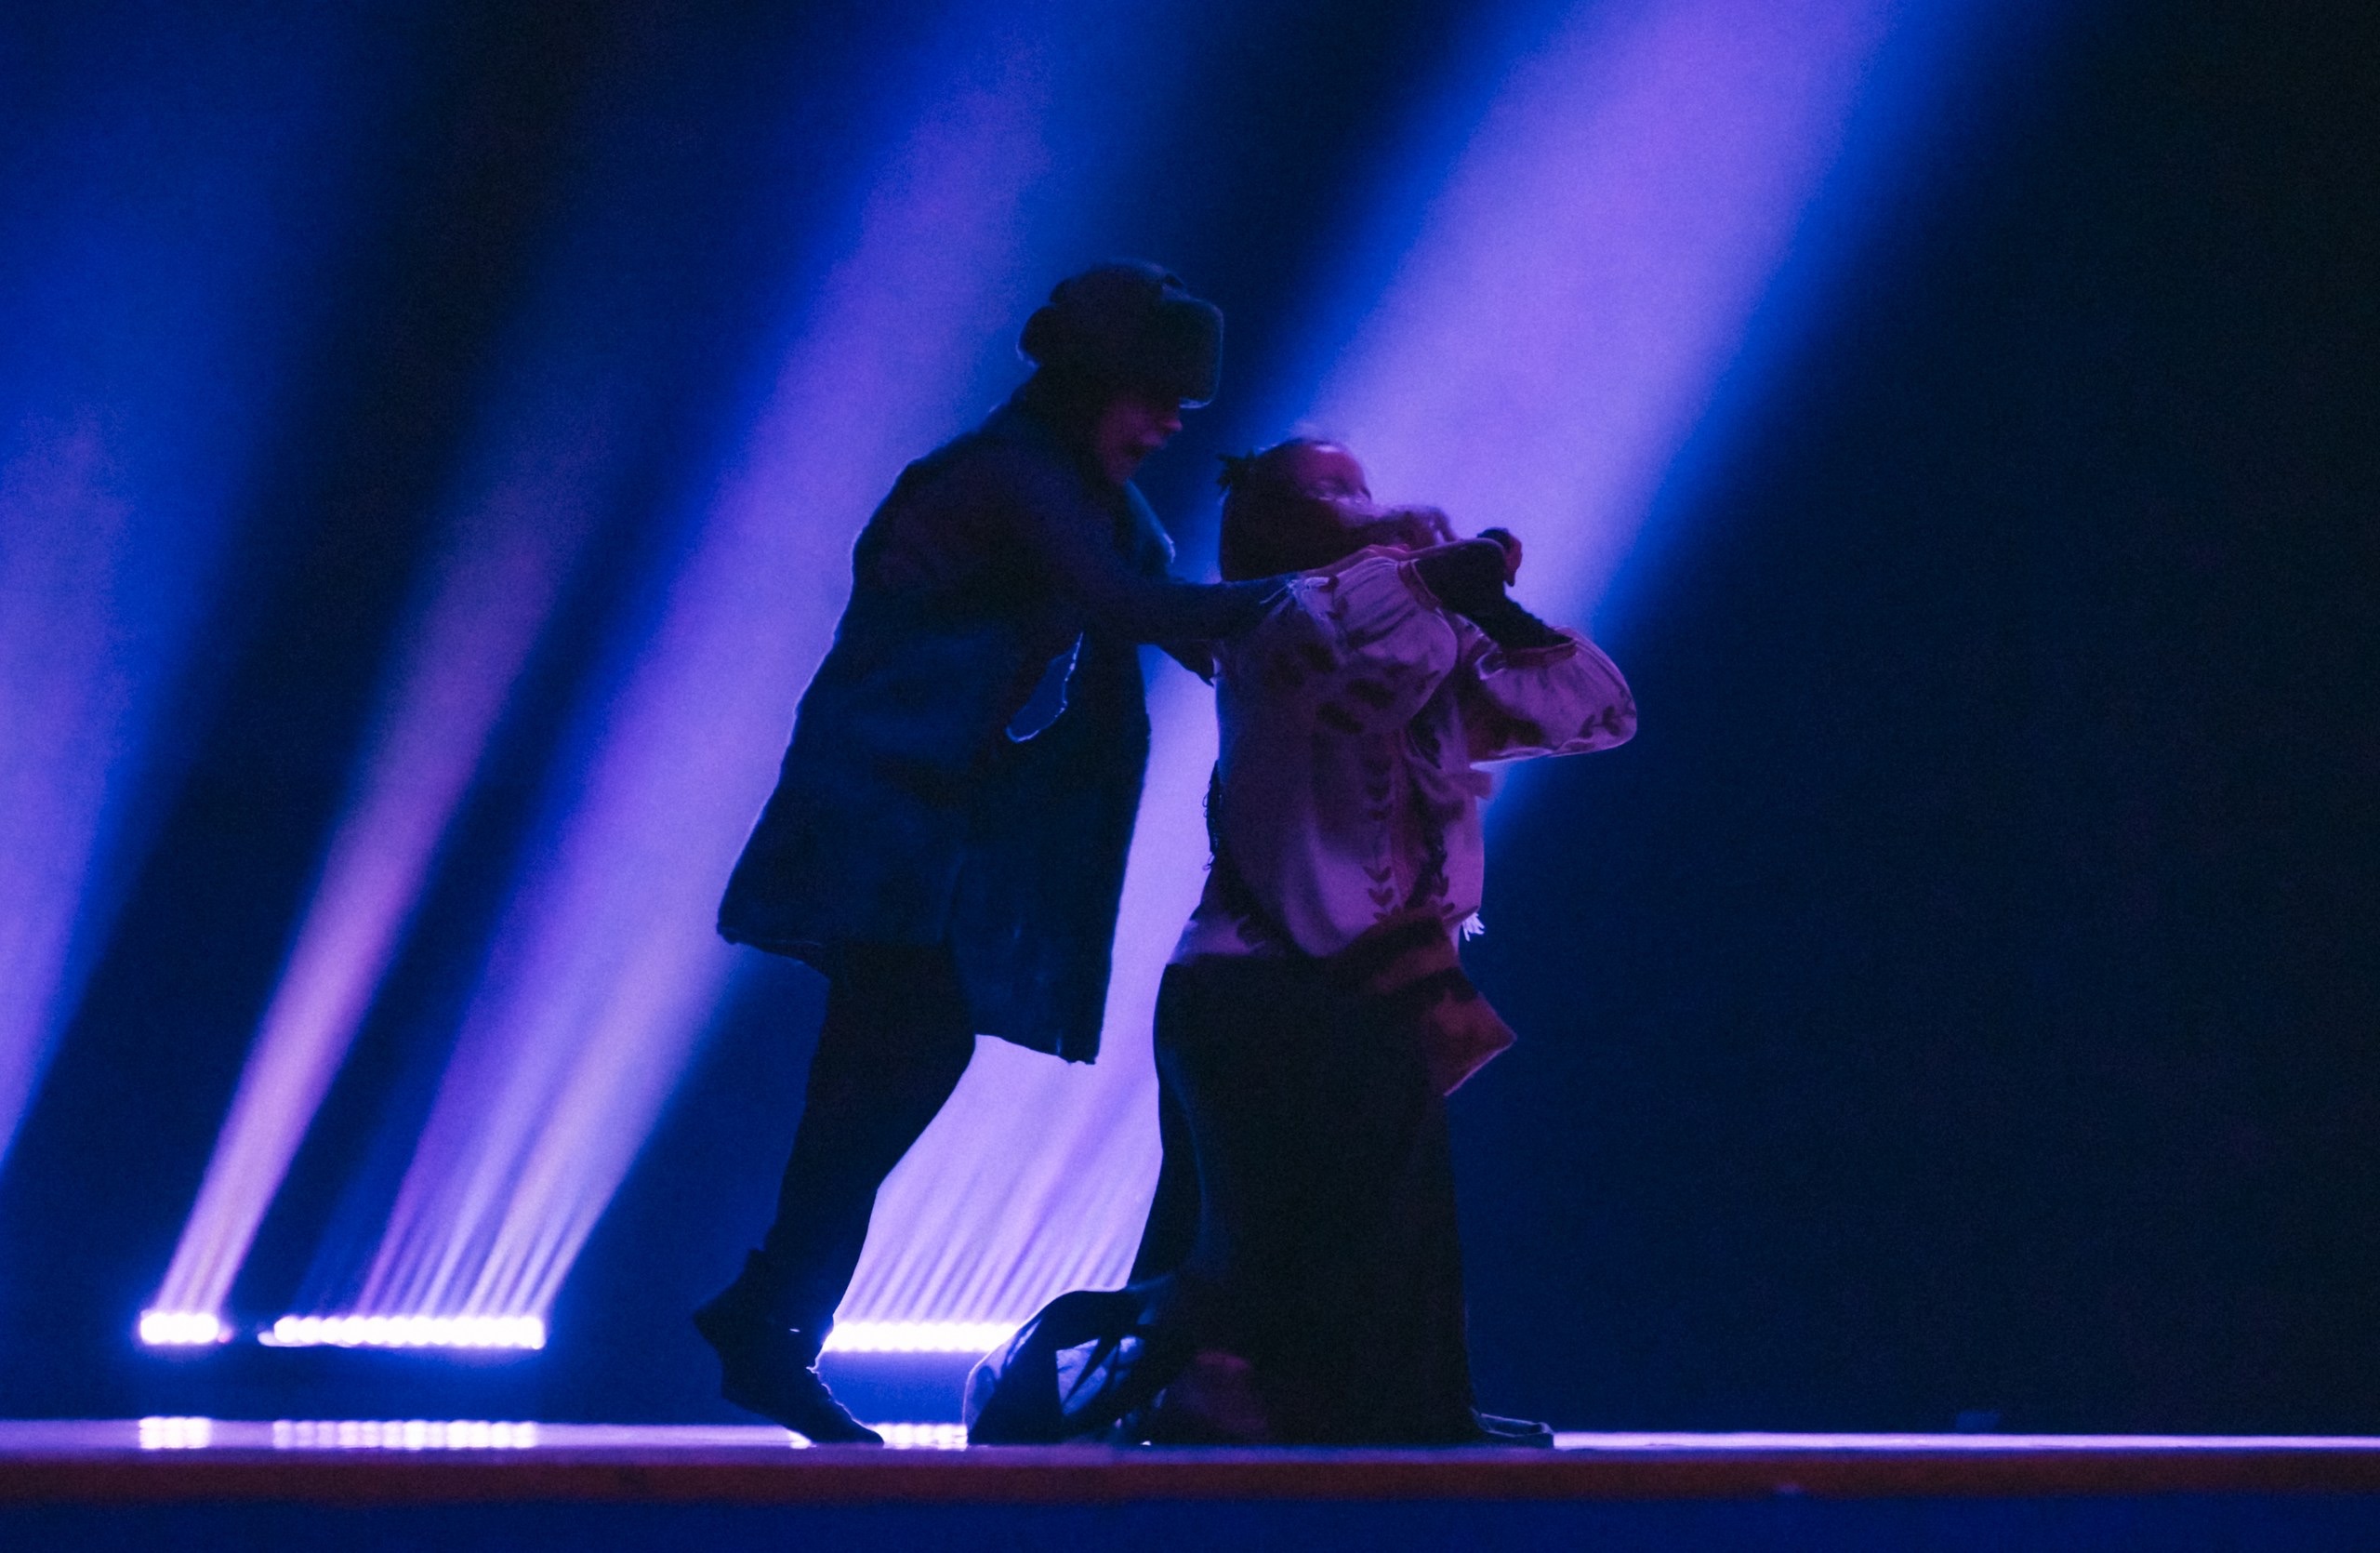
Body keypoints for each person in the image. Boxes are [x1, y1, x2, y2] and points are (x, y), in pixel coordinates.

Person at [695, 263, 1282, 1443]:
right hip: (879, 810)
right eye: (1151, 396)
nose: (1168, 423)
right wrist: (1334, 603)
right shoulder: (1009, 478)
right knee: (894, 1055)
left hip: (935, 825)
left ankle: (766, 1313)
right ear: (1092, 380)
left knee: (890, 1063)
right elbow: (1134, 605)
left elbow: (1166, 613)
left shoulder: (1095, 502)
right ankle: (767, 1316)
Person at [965, 438, 1636, 1446]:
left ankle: (1410, 1411)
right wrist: (1420, 571)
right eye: (1330, 489)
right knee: (1260, 1248)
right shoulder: (1276, 625)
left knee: (1390, 1229)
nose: (1362, 502)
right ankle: (1151, 1391)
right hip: (1259, 992)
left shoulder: (1417, 643)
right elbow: (1353, 633)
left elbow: (1599, 711)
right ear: (1272, 523)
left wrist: (1493, 610)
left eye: (1362, 485)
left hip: (1368, 988)